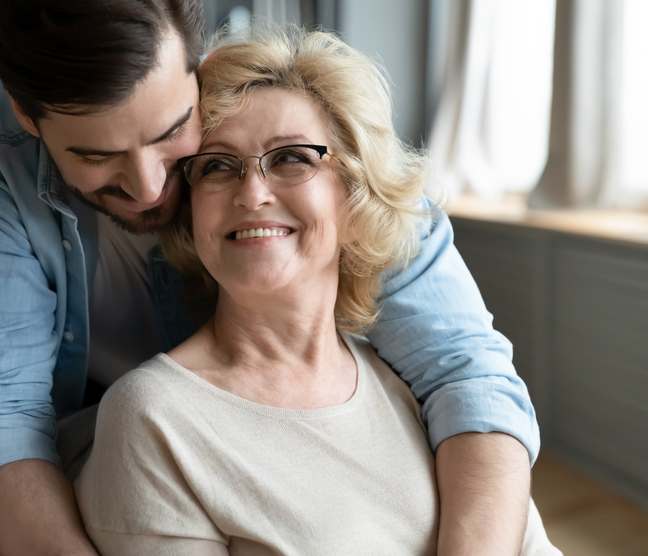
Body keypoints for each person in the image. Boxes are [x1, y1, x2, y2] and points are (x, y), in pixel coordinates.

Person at [0, 0, 539, 556]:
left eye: (173, 134)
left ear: (198, 68)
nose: (149, 184)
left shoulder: (284, 121)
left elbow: (467, 368)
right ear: (29, 120)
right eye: (99, 155)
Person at [74, 28, 559, 555]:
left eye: (291, 158)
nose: (253, 193)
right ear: (191, 215)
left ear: (355, 200)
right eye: (217, 166)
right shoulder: (153, 418)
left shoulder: (424, 389)